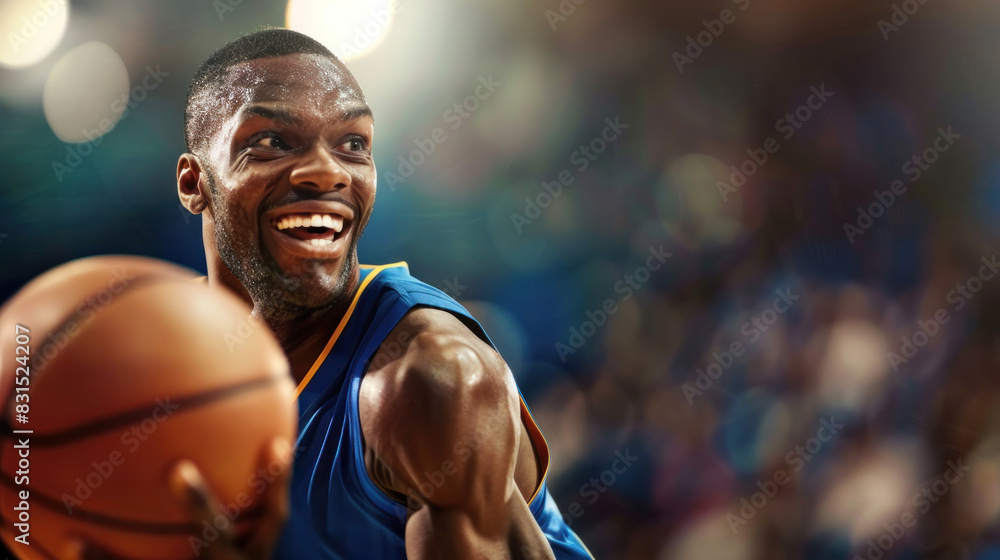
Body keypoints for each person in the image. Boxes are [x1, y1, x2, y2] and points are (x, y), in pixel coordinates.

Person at [170, 28, 592, 559]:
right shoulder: (155, 358)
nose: (328, 171)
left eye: (353, 144)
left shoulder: (429, 380)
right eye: (272, 142)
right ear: (193, 183)